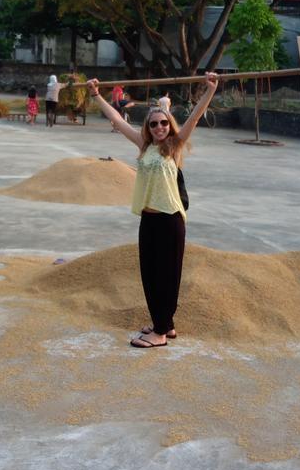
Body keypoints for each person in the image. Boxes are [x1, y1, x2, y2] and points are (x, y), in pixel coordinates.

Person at [87, 72, 219, 348]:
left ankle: (159, 333)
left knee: (167, 274)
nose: (159, 127)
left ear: (169, 126)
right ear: (148, 128)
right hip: (148, 219)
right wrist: (96, 95)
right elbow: (117, 120)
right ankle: (165, 324)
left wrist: (210, 90)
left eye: (163, 123)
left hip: (170, 220)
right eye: (154, 124)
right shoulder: (144, 145)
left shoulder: (174, 146)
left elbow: (194, 118)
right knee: (149, 272)